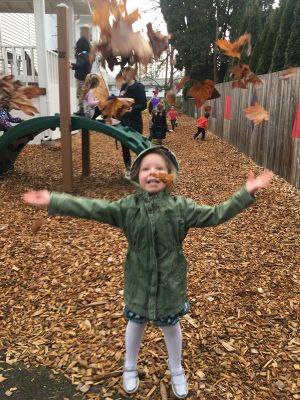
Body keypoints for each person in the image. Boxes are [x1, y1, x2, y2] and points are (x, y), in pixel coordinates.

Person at [23, 145, 274, 399]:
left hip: (170, 282)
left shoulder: (181, 208)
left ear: (170, 175)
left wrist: (245, 193)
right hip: (139, 280)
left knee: (171, 326)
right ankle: (129, 366)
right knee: (136, 321)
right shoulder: (127, 208)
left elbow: (215, 214)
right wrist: (54, 200)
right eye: (146, 169)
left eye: (159, 168)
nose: (152, 172)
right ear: (136, 175)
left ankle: (176, 368)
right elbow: (93, 208)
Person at [119, 66, 147, 178]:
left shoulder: (139, 87)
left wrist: (133, 108)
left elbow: (143, 104)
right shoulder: (124, 86)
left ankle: (139, 169)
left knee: (137, 145)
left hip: (135, 121)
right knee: (124, 145)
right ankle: (128, 168)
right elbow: (121, 102)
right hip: (124, 120)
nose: (123, 76)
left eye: (125, 74)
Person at [70, 37, 92, 116]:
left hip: (81, 78)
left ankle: (82, 110)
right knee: (85, 93)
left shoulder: (82, 54)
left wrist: (71, 65)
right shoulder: (88, 54)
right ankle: (86, 110)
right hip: (86, 77)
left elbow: (79, 65)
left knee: (80, 94)